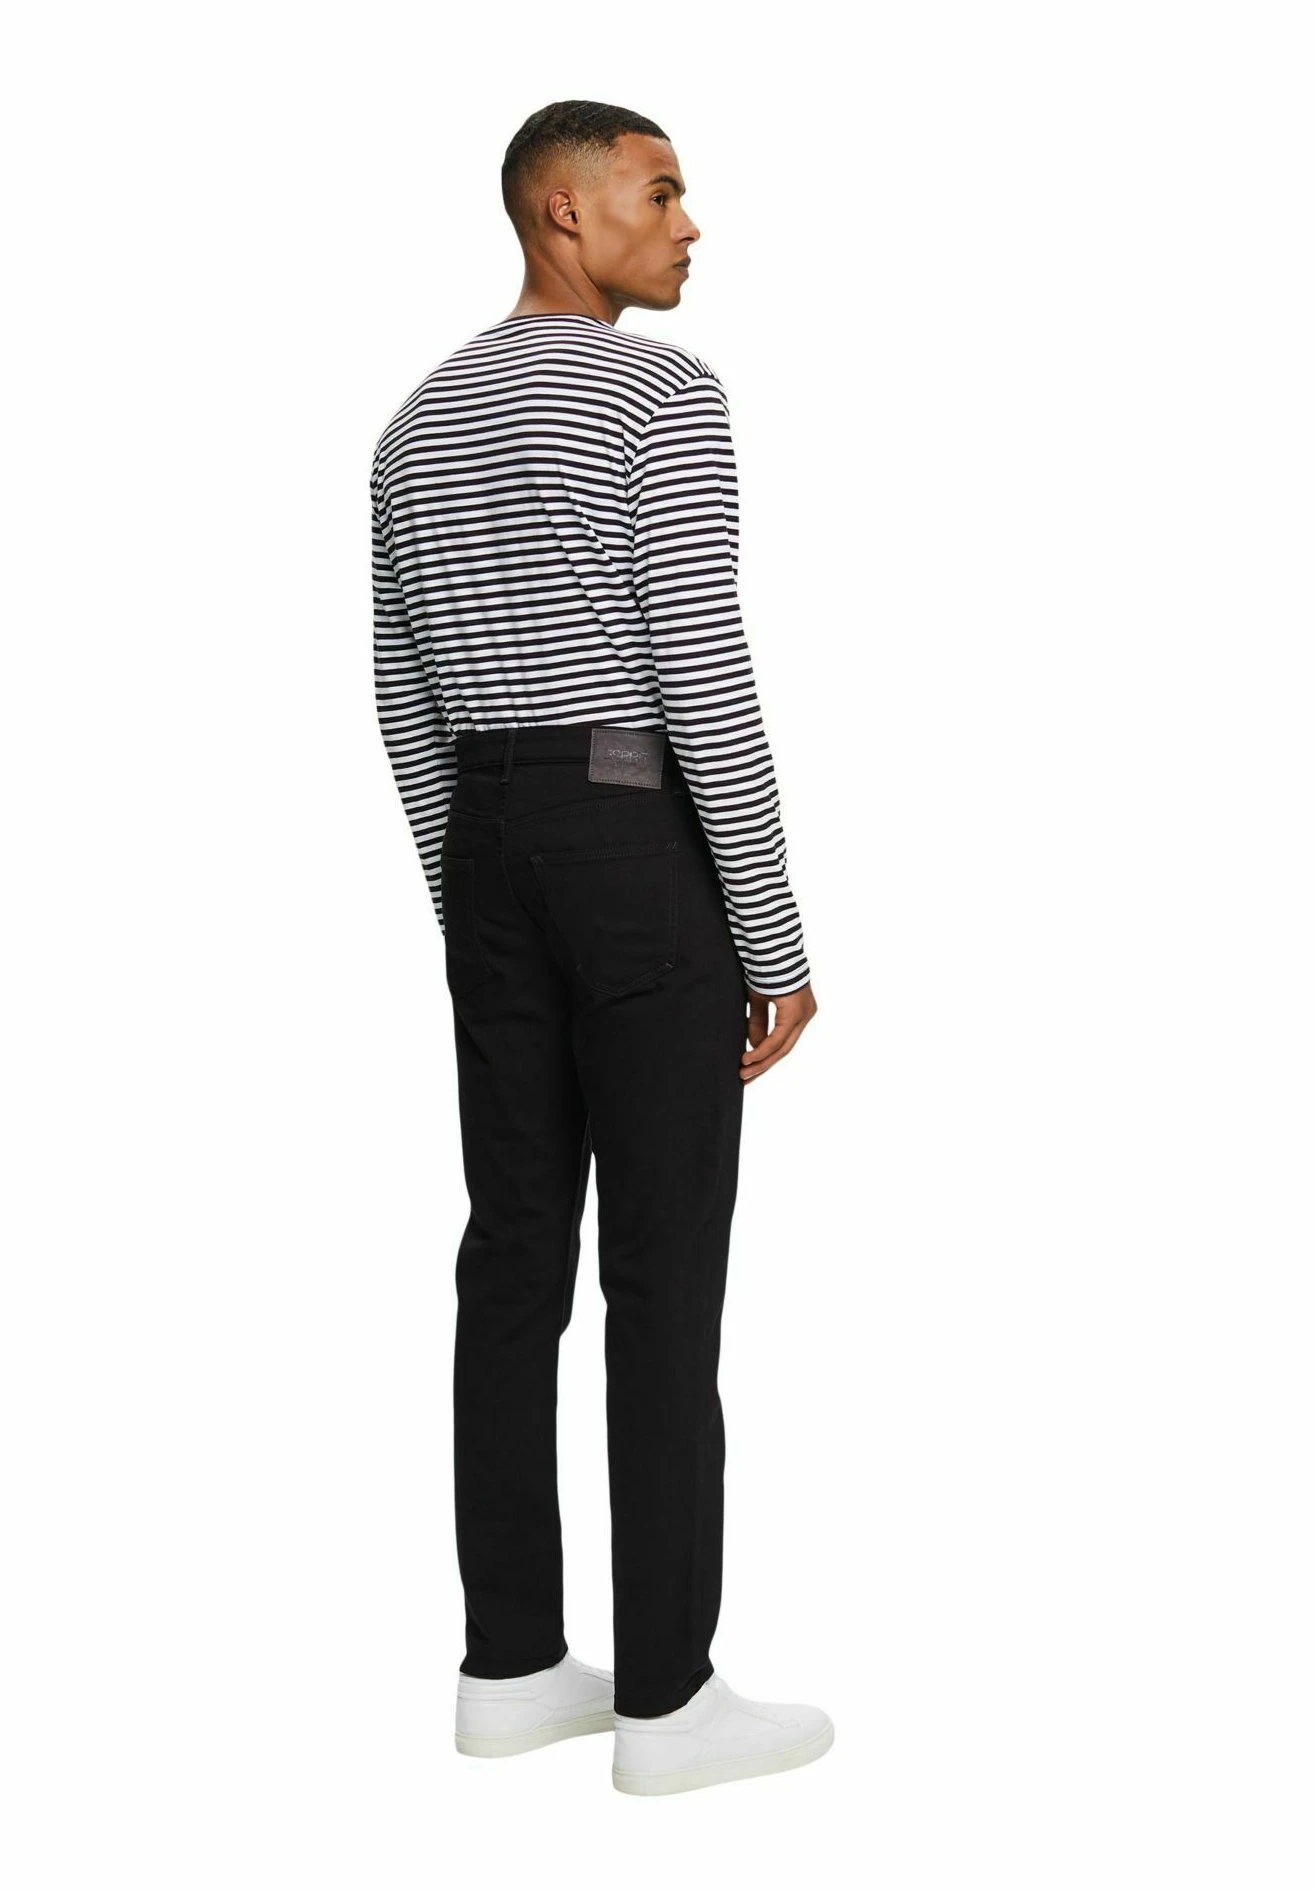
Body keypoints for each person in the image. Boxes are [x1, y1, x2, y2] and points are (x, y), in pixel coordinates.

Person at [371, 99, 831, 1796]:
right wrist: (769, 932)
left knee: (511, 1257)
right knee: (660, 1267)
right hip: (634, 843)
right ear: (563, 212)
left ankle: (509, 1667)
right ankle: (666, 1700)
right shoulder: (658, 393)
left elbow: (399, 694)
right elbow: (697, 666)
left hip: (490, 839)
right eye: (660, 190)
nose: (689, 222)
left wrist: (472, 903)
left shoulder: (415, 420)